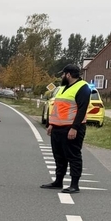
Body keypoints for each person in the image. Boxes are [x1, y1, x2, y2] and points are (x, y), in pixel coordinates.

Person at [41, 64, 91, 194]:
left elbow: (82, 110)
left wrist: (74, 128)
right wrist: (51, 124)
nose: (62, 76)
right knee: (59, 156)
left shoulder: (83, 88)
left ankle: (74, 185)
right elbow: (58, 108)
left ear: (68, 74)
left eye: (63, 74)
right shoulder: (63, 88)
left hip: (71, 129)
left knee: (73, 156)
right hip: (58, 128)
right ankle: (58, 181)